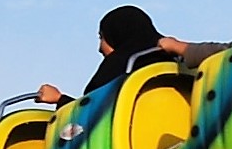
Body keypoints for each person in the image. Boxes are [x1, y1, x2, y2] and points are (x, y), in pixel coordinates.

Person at [38, 6, 178, 107]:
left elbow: (93, 118)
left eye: (102, 37)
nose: (100, 48)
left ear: (117, 35)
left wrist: (60, 99)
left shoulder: (120, 69)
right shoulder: (177, 65)